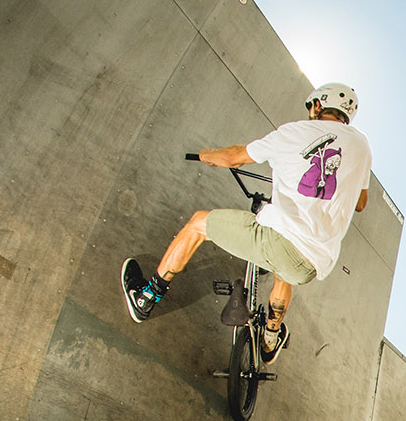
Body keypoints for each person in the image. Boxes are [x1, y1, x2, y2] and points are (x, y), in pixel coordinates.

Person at [123, 83, 371, 363]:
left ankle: (146, 297)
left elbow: (233, 156)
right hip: (313, 262)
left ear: (317, 105)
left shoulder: (294, 132)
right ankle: (270, 338)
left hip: (278, 240)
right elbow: (361, 203)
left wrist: (207, 155)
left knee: (197, 224)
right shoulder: (362, 147)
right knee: (285, 272)